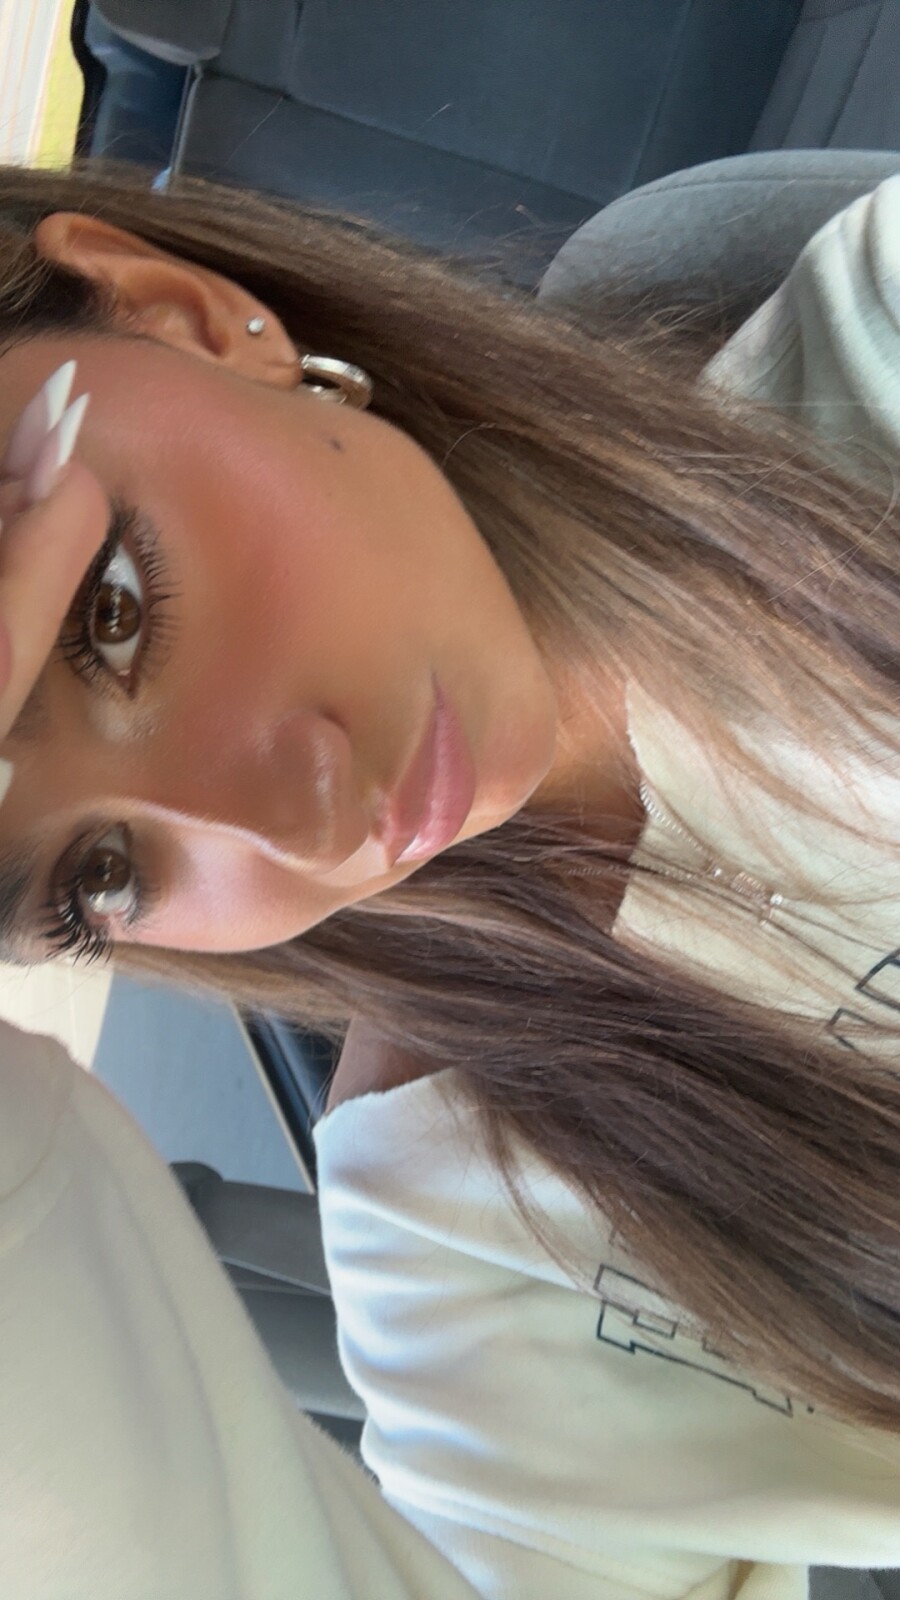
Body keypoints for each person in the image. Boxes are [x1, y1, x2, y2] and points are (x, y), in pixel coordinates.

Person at [0, 155, 899, 1598]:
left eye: (112, 613)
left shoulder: (875, 352)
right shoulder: (459, 1247)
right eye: (97, 875)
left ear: (184, 314)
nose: (298, 827)